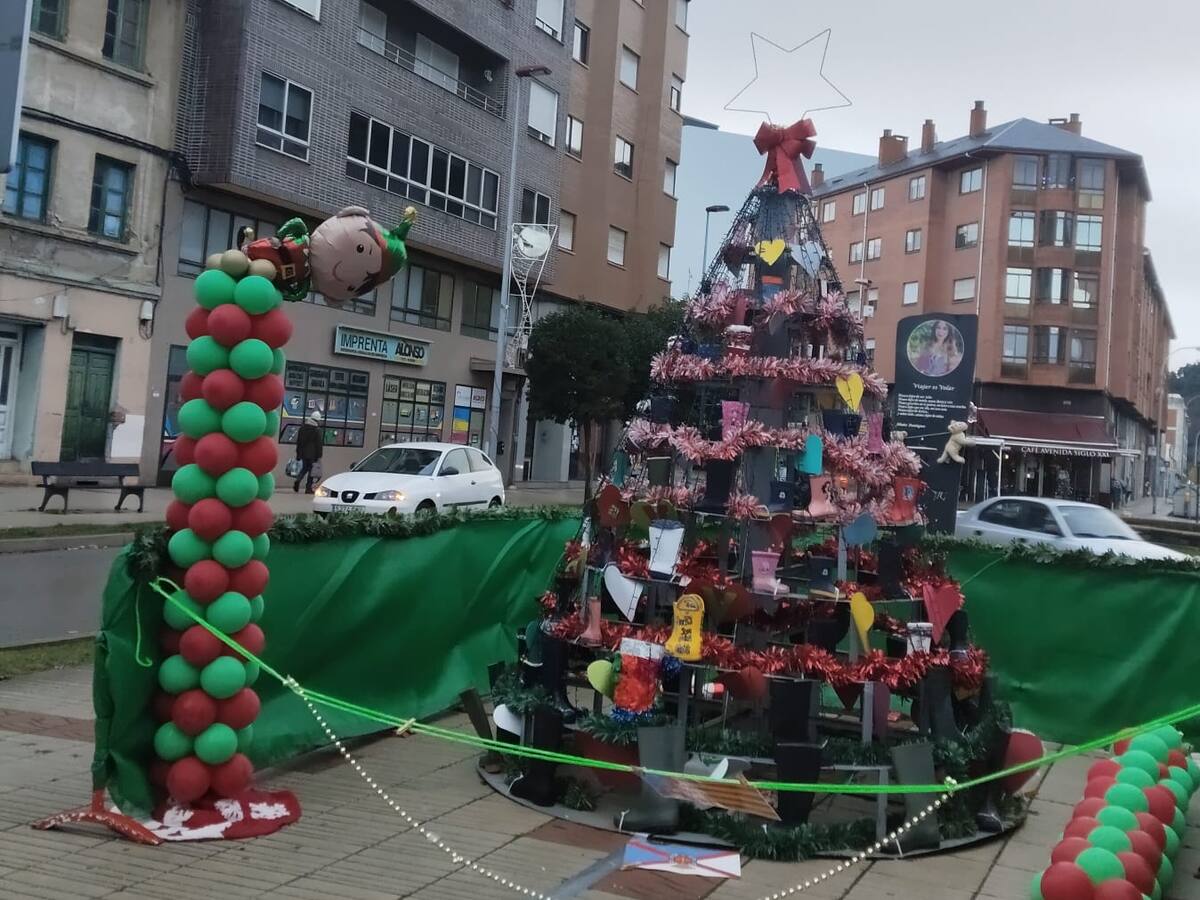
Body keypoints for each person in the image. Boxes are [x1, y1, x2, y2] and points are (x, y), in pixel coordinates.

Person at [294, 412, 324, 493]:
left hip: (303, 453)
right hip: (312, 454)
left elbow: (299, 442)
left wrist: (298, 453)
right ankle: (308, 488)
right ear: (317, 420)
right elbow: (319, 444)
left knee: (304, 468)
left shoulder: (302, 428)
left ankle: (298, 479)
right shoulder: (317, 430)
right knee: (311, 471)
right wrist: (319, 455)